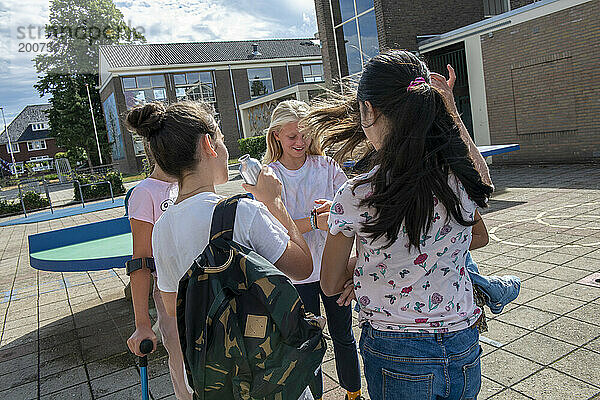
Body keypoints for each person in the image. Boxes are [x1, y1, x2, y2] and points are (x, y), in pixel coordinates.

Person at [311, 50, 495, 400]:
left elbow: (331, 282)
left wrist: (367, 270)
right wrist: (451, 110)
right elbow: (478, 236)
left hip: (395, 348)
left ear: (370, 110)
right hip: (463, 342)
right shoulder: (463, 178)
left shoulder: (356, 195)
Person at [125, 100, 315, 398]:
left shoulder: (162, 227)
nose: (225, 149)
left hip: (213, 378)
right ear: (208, 145)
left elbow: (174, 304)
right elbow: (303, 267)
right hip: (268, 372)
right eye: (222, 140)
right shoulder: (242, 212)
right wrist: (274, 201)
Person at [264, 100, 363, 400]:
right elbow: (269, 229)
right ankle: (315, 396)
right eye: (292, 136)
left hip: (332, 270)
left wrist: (334, 212)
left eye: (306, 134)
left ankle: (353, 393)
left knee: (344, 336)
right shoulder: (269, 177)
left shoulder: (328, 167)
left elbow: (353, 213)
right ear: (276, 135)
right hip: (295, 276)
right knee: (306, 342)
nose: (300, 142)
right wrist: (312, 221)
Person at [124, 156, 193, 400]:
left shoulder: (190, 180)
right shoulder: (145, 192)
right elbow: (141, 260)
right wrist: (142, 323)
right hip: (170, 290)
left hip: (204, 285)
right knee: (185, 367)